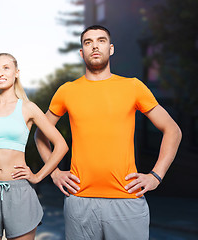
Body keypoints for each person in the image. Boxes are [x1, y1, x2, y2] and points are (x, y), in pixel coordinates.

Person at [35, 25, 182, 240]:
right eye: (88, 42)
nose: (95, 46)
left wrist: (155, 176)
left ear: (111, 49)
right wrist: (55, 172)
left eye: (101, 40)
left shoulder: (133, 87)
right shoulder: (67, 90)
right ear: (81, 52)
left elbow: (173, 130)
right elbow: (40, 134)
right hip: (79, 201)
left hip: (127, 200)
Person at [0, 53, 68, 240]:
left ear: (16, 73)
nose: (0, 73)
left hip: (20, 192)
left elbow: (61, 145)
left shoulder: (28, 108)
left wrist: (38, 176)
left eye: (6, 68)